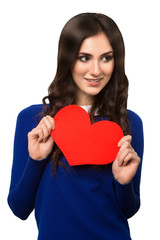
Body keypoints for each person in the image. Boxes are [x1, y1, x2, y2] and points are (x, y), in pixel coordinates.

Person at [7, 13, 144, 240]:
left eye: (106, 58)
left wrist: (123, 182)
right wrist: (36, 159)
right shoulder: (34, 121)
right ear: (67, 58)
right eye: (84, 58)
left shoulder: (129, 122)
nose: (96, 70)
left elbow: (129, 209)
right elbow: (19, 208)